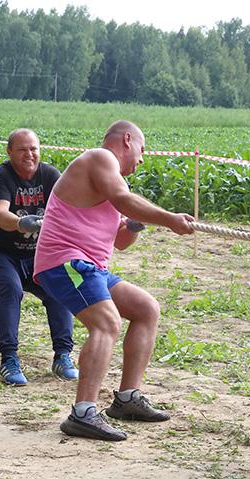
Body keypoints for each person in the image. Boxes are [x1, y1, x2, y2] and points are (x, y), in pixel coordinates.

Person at [33, 120, 195, 441]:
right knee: (106, 322)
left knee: (146, 308)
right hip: (65, 261)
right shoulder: (101, 158)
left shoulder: (111, 179)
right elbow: (123, 199)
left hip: (91, 267)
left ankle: (127, 399)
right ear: (127, 140)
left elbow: (120, 241)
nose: (142, 159)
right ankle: (83, 413)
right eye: (142, 150)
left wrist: (135, 224)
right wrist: (168, 219)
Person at [0, 129, 78, 386]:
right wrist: (21, 223)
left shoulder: (50, 175)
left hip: (37, 256)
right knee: (11, 290)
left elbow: (71, 207)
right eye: (22, 149)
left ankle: (63, 356)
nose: (29, 154)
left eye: (33, 149)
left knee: (59, 288)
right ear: (9, 151)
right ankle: (9, 360)